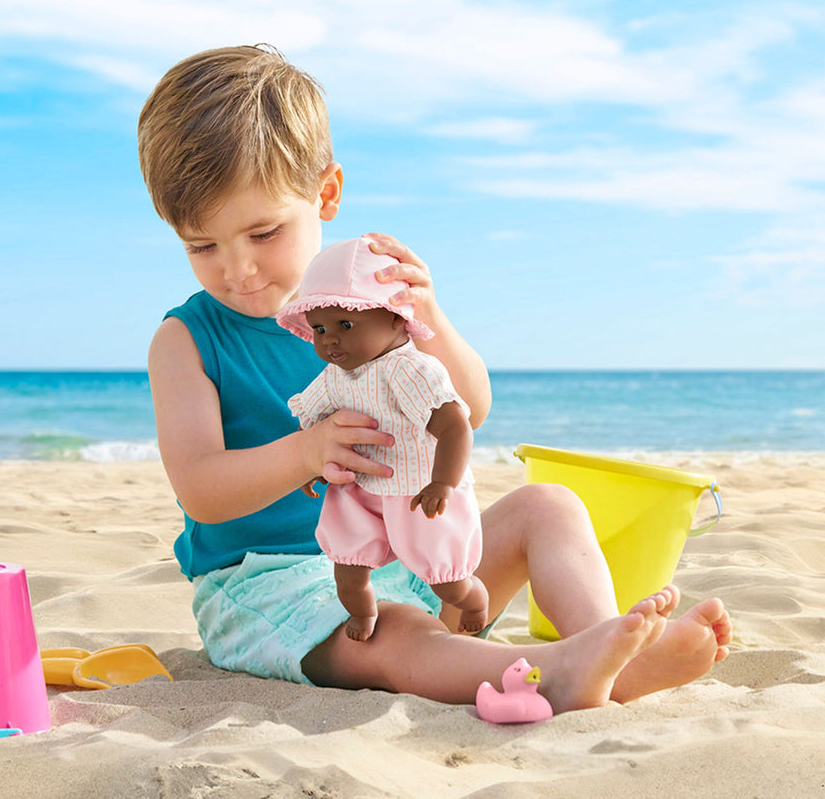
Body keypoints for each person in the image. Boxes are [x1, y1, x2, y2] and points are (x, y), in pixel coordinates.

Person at [139, 44, 732, 711]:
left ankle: (605, 654)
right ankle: (556, 672)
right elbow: (202, 490)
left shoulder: (371, 304)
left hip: (408, 557)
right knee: (397, 633)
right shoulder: (187, 340)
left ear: (325, 194)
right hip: (271, 590)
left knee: (550, 505)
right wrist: (306, 452)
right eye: (202, 246)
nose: (238, 270)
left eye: (263, 233)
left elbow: (470, 407)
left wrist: (429, 316)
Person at [276, 236, 489, 642]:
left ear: (395, 319)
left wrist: (443, 481)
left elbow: (455, 425)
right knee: (348, 568)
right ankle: (364, 614)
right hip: (360, 489)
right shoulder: (336, 377)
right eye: (320, 328)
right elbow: (314, 422)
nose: (330, 339)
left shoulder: (408, 370)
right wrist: (312, 464)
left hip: (417, 488)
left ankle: (474, 599)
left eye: (345, 325)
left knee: (446, 580)